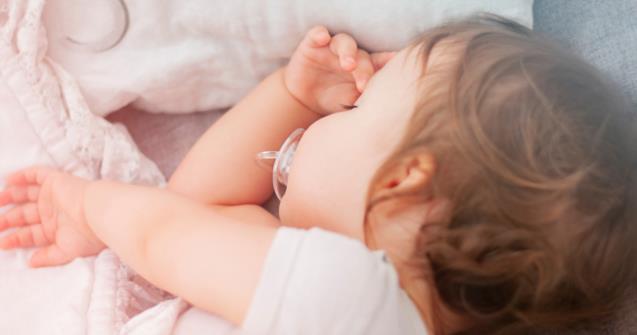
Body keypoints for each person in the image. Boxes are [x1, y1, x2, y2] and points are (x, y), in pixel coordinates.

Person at [0, 15, 635, 334]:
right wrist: (293, 96)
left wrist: (88, 207)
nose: (339, 108)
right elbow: (200, 212)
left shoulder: (354, 304)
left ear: (403, 179)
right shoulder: (330, 302)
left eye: (360, 108)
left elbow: (167, 234)